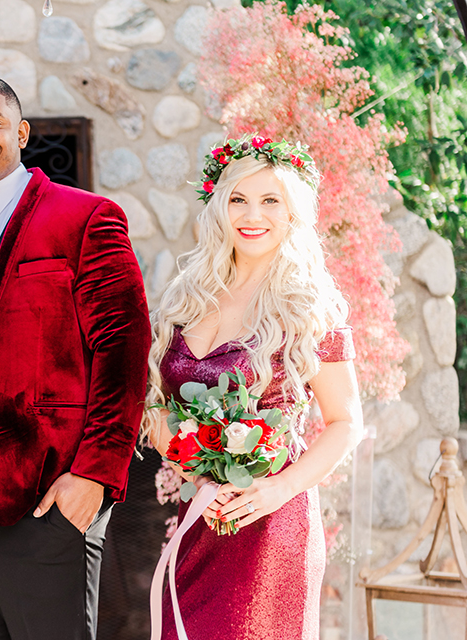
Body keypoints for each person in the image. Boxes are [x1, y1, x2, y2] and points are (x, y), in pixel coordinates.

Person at [0, 74, 151, 640]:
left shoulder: (86, 217)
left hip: (47, 499)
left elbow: (124, 350)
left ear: (21, 133)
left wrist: (94, 474)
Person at [142, 135, 365, 639]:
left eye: (271, 201)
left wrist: (277, 489)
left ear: (293, 214)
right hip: (198, 514)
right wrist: (191, 464)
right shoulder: (186, 298)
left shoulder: (311, 307)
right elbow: (154, 406)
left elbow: (346, 422)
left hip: (270, 523)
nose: (252, 214)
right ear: (219, 206)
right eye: (239, 198)